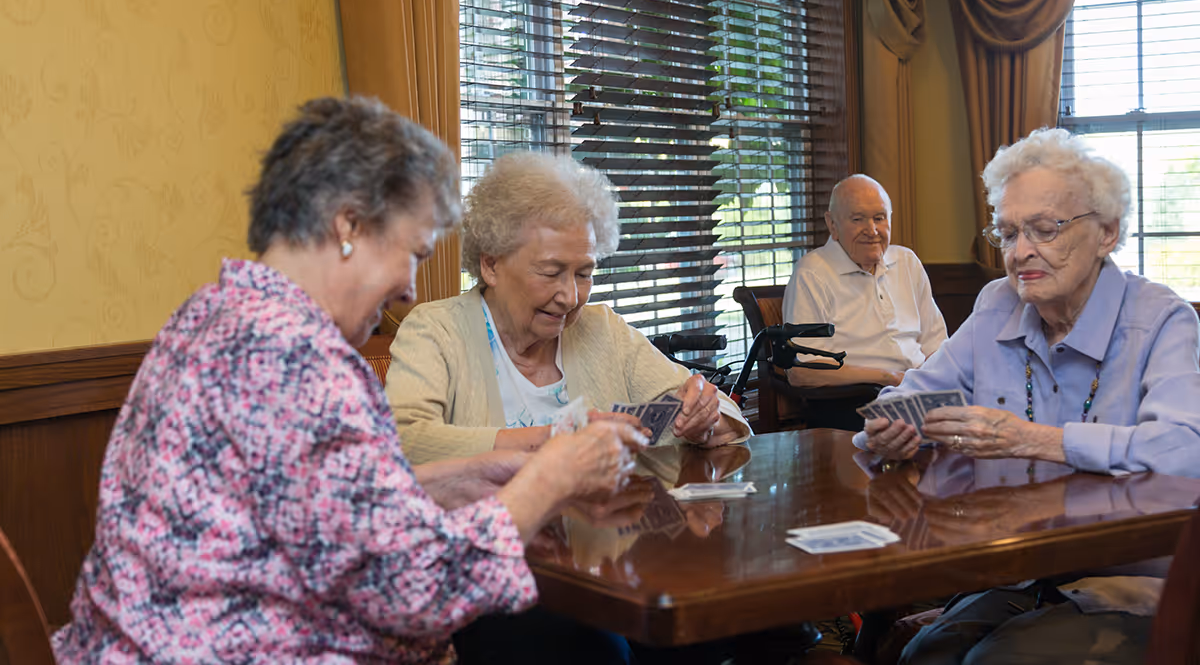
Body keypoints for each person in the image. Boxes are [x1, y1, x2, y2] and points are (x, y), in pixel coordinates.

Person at [52, 97, 647, 664]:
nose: (412, 289)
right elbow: (416, 591)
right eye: (413, 253)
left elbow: (319, 510)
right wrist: (549, 479)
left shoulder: (216, 316)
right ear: (348, 226)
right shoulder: (294, 359)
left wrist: (461, 477)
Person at [857, 128, 1200, 664]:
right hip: (1023, 571)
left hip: (1135, 582)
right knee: (925, 654)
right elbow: (905, 400)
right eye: (1009, 232)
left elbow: (1185, 451)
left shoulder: (1160, 319)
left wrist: (1038, 440)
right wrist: (890, 431)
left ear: (1107, 232)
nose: (1021, 253)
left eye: (1045, 229)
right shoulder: (998, 304)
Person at [385, 151, 752, 467]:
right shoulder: (436, 330)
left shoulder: (602, 330)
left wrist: (702, 418)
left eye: (584, 273)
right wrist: (552, 440)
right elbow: (404, 441)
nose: (571, 296)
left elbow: (726, 416)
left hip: (597, 542)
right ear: (491, 265)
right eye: (550, 272)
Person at [781, 174, 947, 427]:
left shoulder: (907, 263)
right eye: (857, 219)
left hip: (916, 392)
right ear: (832, 224)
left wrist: (933, 384)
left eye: (879, 218)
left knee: (984, 417)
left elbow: (936, 345)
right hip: (852, 401)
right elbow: (802, 371)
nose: (872, 231)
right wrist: (888, 377)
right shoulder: (812, 273)